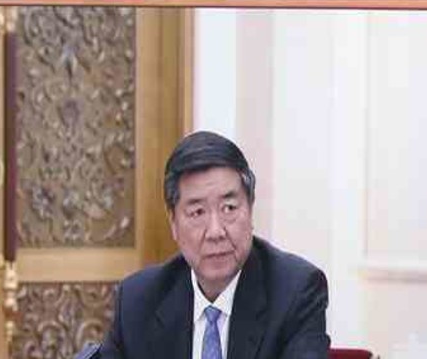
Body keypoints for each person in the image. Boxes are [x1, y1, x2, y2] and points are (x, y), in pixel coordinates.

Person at [99, 131, 329, 359]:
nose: (216, 232)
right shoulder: (139, 301)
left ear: (250, 209)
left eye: (229, 208)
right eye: (198, 212)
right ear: (173, 223)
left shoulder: (296, 292)